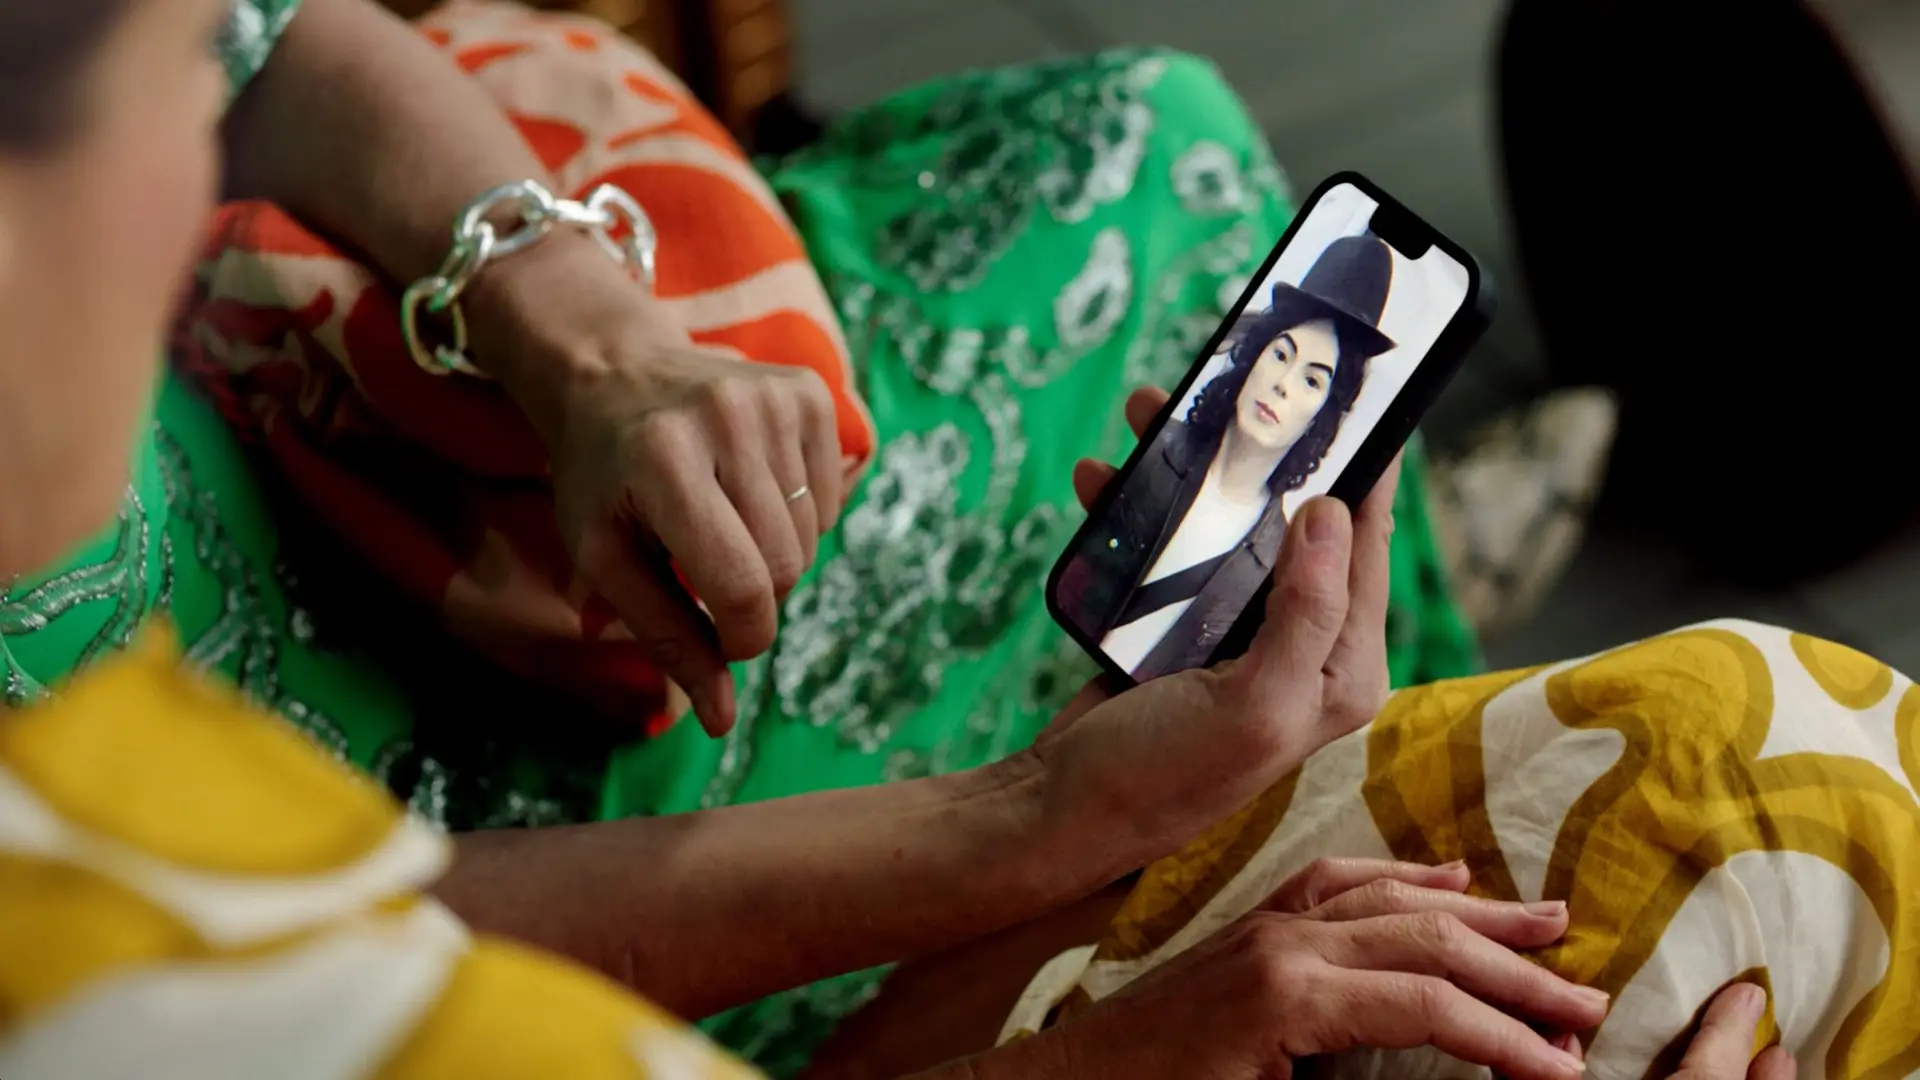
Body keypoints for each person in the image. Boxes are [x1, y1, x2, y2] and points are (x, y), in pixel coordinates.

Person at [0, 0, 1478, 1063]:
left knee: (1160, 139)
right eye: (163, 93)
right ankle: (1403, 642)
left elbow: (275, 43)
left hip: (429, 500)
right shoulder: (281, 994)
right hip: (598, 857)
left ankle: (1395, 604)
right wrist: (1040, 829)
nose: (202, 188)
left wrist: (586, 339)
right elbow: (376, 922)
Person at [1055, 234, 1395, 679]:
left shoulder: (1277, 558)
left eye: (1312, 381)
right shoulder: (1159, 450)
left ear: (1322, 416)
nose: (1283, 384)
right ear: (1254, 357)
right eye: (1281, 354)